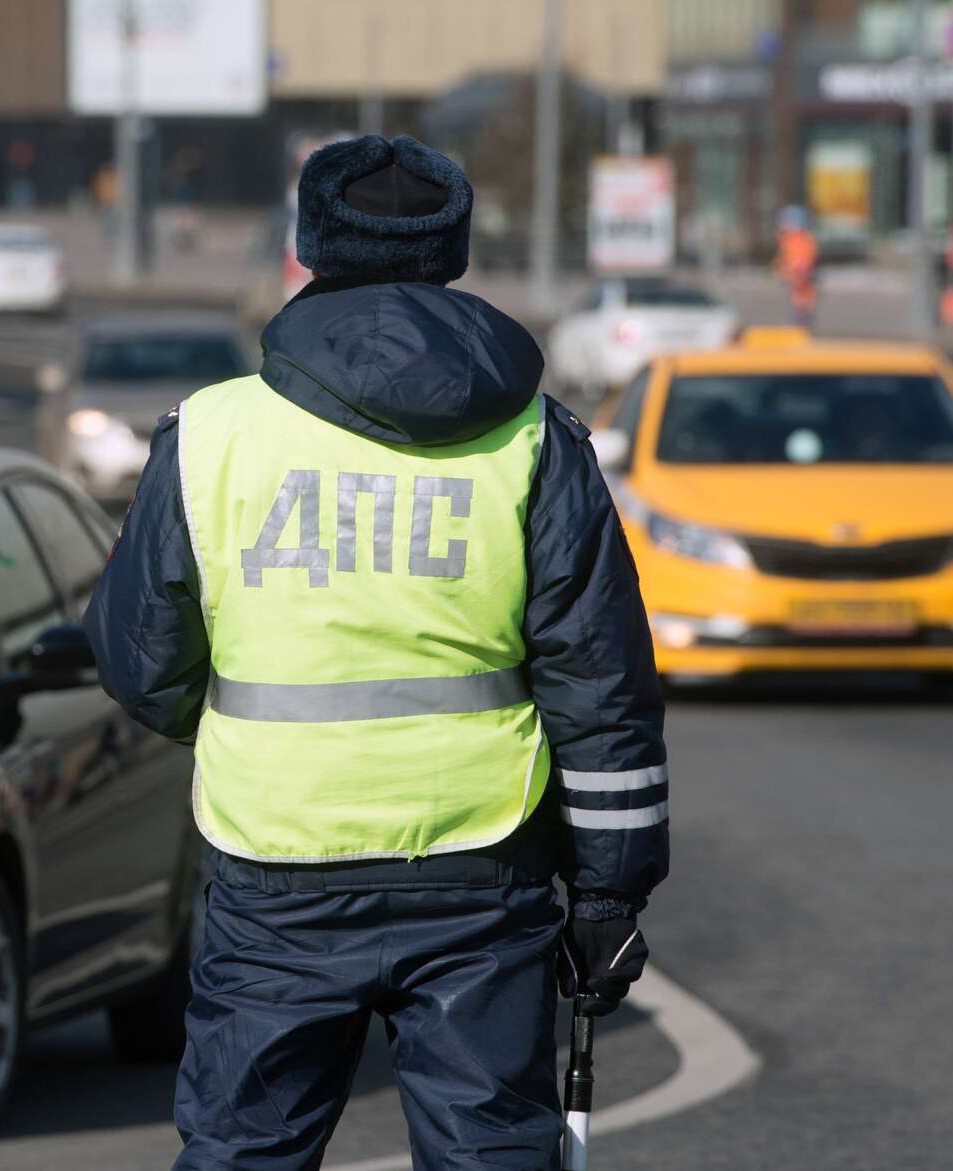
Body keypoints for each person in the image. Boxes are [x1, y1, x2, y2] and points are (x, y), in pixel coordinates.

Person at [83, 135, 670, 1171]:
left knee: (241, 1152)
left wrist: (227, 725)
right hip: (478, 863)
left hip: (273, 861)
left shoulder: (212, 433)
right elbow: (599, 678)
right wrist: (611, 890)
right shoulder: (535, 440)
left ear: (308, 244)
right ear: (452, 246)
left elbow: (142, 660)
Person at [775, 206, 820, 328]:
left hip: (801, 295)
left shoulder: (800, 242)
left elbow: (801, 267)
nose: (781, 226)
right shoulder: (790, 241)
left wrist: (792, 275)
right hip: (796, 292)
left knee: (798, 324)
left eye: (785, 223)